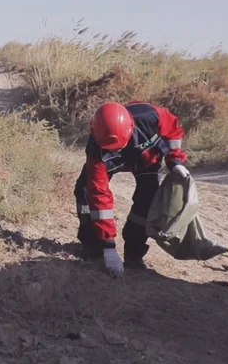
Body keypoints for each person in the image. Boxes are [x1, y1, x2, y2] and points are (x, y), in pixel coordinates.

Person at [75, 101, 190, 276]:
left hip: (146, 161)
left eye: (120, 146)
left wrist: (175, 161)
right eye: (113, 149)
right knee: (85, 191)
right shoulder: (96, 153)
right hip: (111, 165)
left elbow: (173, 130)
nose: (118, 150)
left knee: (147, 199)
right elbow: (99, 195)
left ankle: (133, 256)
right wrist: (108, 245)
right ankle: (94, 246)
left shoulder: (151, 117)